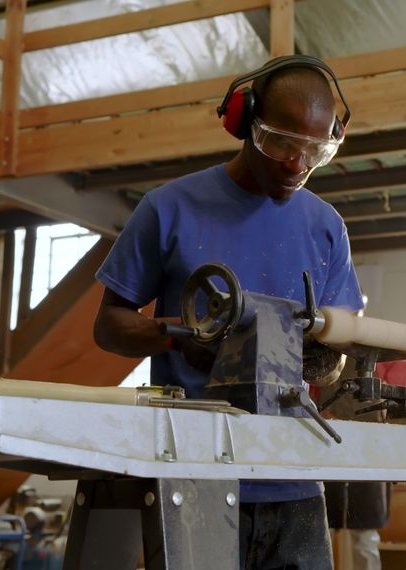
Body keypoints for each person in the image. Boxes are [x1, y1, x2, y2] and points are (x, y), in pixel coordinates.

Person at [93, 55, 363, 570]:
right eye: (281, 141)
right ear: (243, 121)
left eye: (317, 149)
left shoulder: (326, 227)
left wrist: (319, 359)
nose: (297, 164)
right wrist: (179, 337)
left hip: (294, 476)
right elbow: (109, 325)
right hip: (195, 470)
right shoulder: (169, 208)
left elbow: (341, 343)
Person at [320, 359, 406, 570]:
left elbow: (401, 402)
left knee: (364, 536)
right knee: (321, 530)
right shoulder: (327, 348)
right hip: (327, 441)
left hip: (371, 445)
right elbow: (311, 389)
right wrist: (320, 413)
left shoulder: (389, 349)